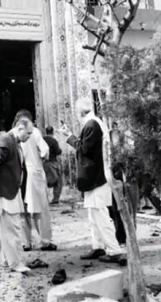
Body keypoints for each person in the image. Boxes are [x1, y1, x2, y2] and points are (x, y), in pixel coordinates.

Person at [61, 97, 124, 263]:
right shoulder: (94, 123)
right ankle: (98, 246)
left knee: (100, 214)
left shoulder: (91, 125)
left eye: (76, 112)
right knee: (93, 214)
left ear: (80, 112)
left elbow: (85, 150)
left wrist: (70, 136)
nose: (76, 116)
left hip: (97, 177)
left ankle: (114, 250)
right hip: (96, 177)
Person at [0, 118, 34, 273]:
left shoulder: (13, 142)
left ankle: (7, 260)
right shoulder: (5, 140)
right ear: (20, 128)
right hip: (5, 192)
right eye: (28, 133)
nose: (29, 136)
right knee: (12, 228)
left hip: (11, 190)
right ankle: (15, 263)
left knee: (7, 228)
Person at [14, 110, 57, 251]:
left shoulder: (12, 134)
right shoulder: (35, 132)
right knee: (40, 210)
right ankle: (45, 241)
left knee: (22, 210)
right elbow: (45, 151)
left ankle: (26, 242)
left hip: (20, 175)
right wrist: (40, 158)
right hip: (33, 174)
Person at [43, 126, 63, 204]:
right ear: (53, 132)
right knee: (58, 181)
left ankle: (44, 198)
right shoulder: (54, 141)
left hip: (43, 163)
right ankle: (55, 199)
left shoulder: (42, 140)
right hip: (52, 162)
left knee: (44, 181)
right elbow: (58, 152)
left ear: (46, 132)